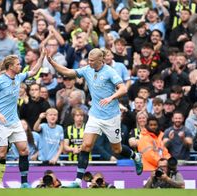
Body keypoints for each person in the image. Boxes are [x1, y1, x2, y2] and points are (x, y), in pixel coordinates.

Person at [47, 48, 143, 188]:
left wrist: (111, 97)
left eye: (92, 60)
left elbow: (123, 89)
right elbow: (68, 71)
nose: (89, 62)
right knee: (85, 146)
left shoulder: (110, 71)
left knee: (116, 149)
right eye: (89, 60)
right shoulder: (87, 69)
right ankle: (78, 182)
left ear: (100, 60)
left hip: (111, 117)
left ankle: (136, 157)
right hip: (95, 115)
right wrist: (52, 62)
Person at [0, 51, 45, 188]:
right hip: (0, 123)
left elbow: (34, 70)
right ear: (10, 67)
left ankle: (24, 182)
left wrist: (42, 57)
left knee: (24, 150)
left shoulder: (18, 77)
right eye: (18, 64)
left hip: (15, 122)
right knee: (0, 154)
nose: (20, 66)